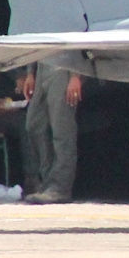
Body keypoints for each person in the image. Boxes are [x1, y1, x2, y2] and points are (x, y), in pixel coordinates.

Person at [23, 65, 85, 205]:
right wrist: (30, 73)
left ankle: (60, 187)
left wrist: (76, 75)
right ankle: (47, 182)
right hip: (43, 67)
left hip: (64, 68)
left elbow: (77, 46)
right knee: (34, 125)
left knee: (62, 131)